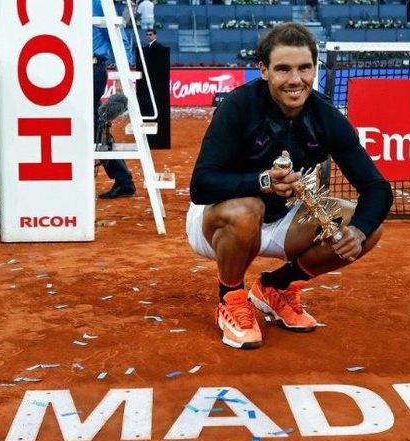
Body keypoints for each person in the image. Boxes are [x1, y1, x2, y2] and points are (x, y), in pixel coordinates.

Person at [187, 23, 393, 350]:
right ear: (264, 70)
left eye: (304, 68)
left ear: (315, 69)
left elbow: (377, 189)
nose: (295, 80)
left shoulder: (326, 117)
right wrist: (263, 181)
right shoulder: (239, 107)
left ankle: (275, 286)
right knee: (247, 208)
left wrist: (358, 232)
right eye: (283, 69)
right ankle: (230, 298)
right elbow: (201, 186)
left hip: (284, 221)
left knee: (367, 226)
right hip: (219, 221)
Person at [93, 0, 137, 199]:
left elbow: (117, 33)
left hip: (91, 68)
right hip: (71, 70)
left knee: (92, 126)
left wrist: (123, 69)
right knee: (94, 126)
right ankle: (123, 180)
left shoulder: (96, 2)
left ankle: (123, 180)